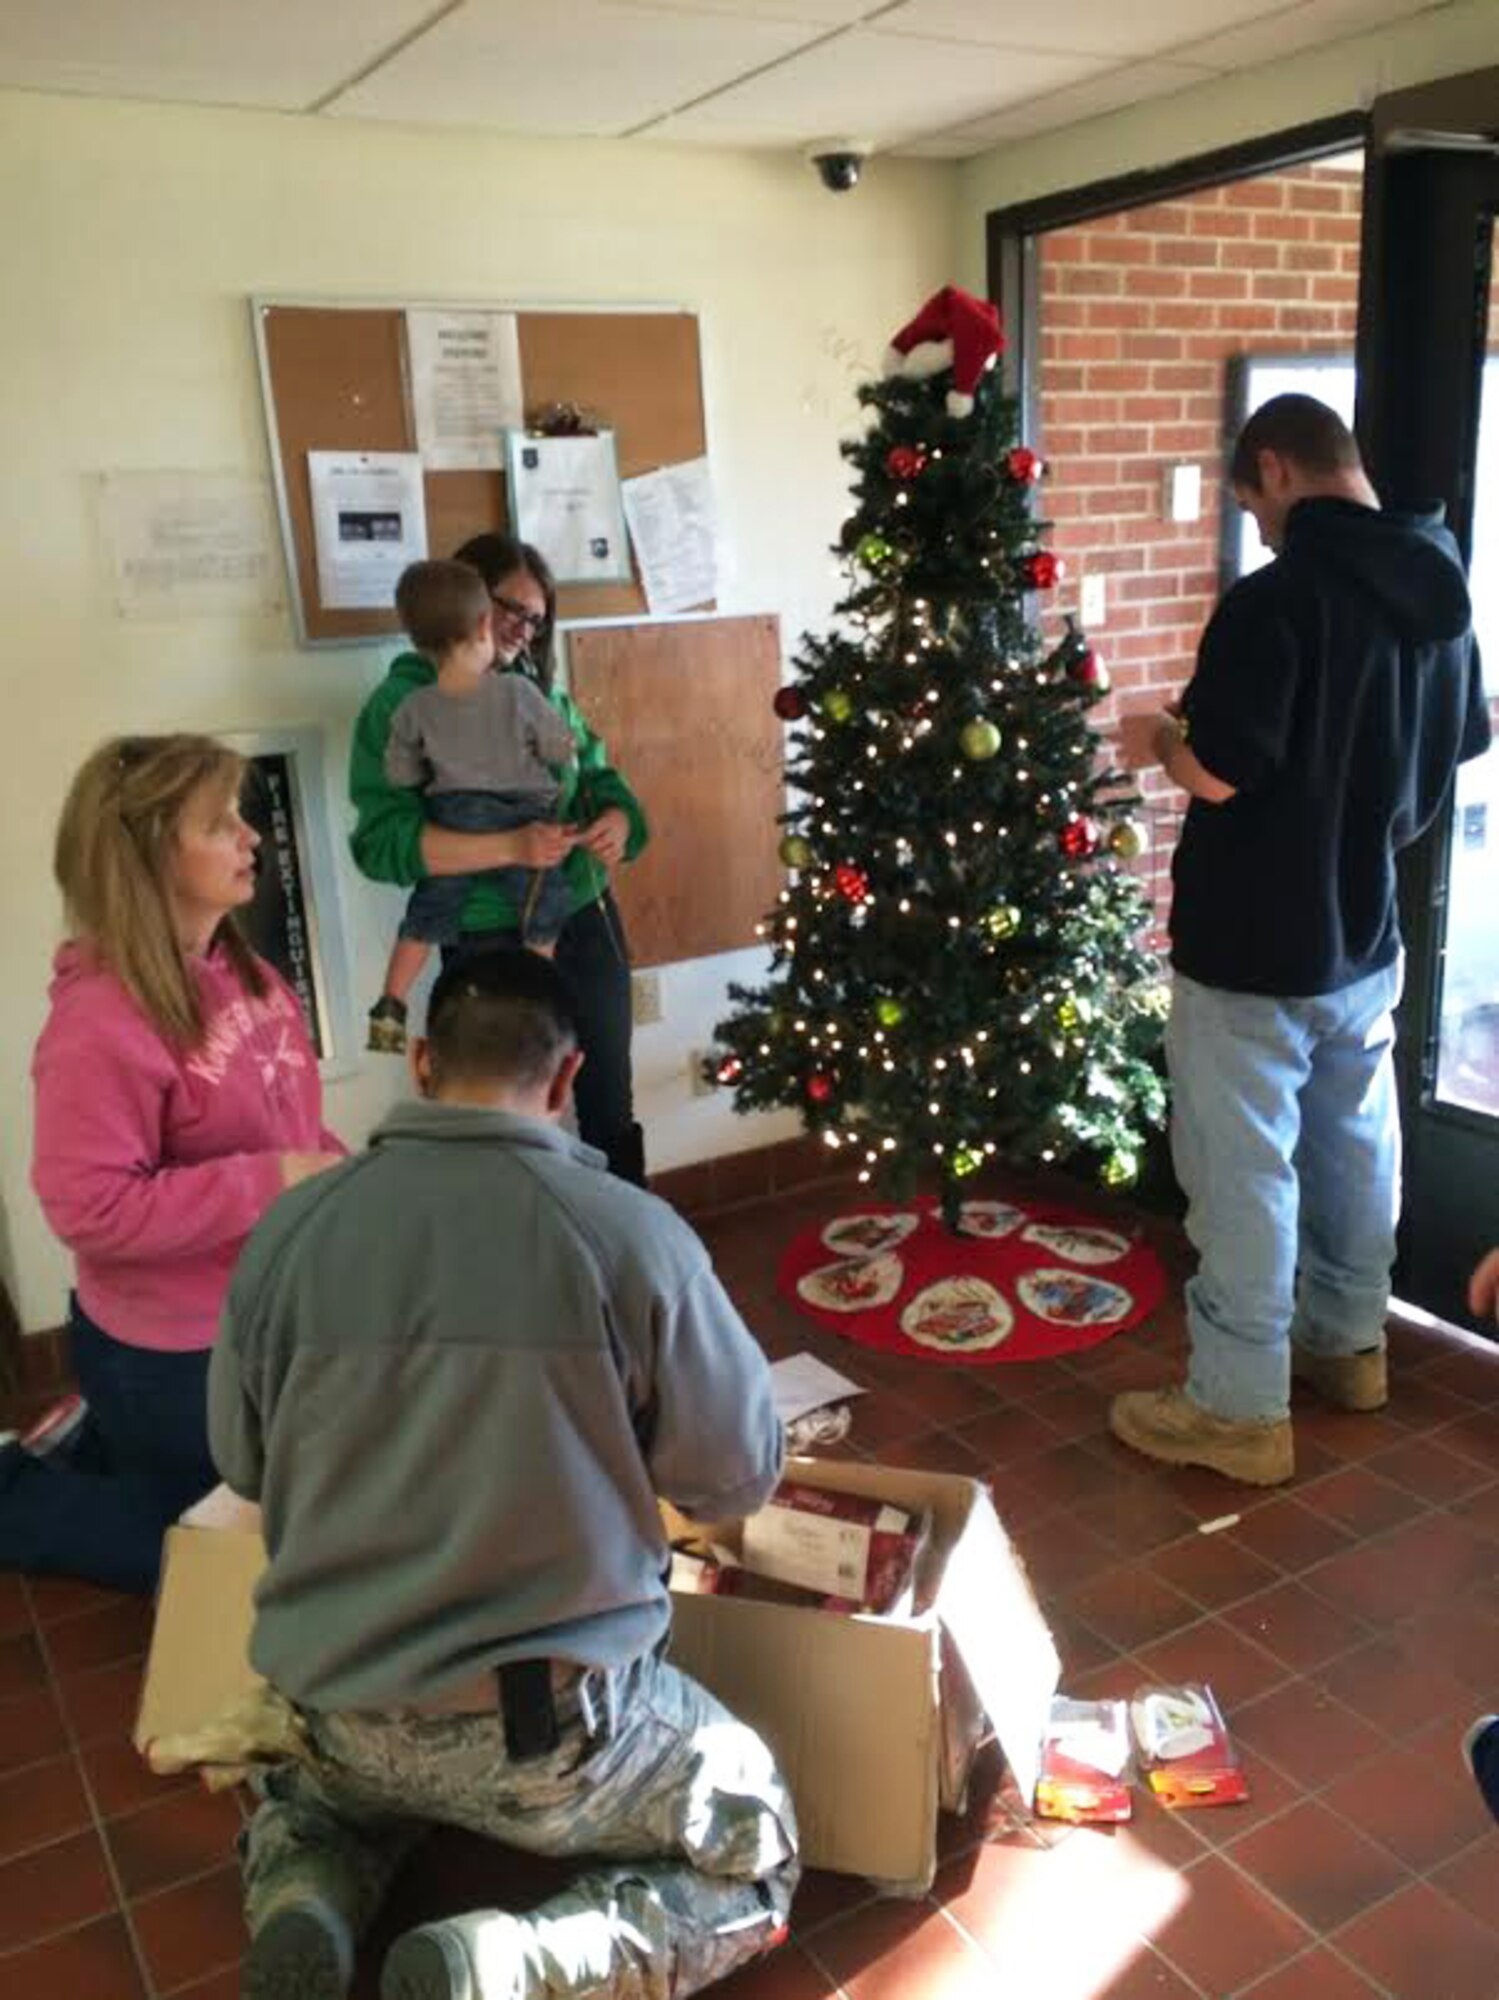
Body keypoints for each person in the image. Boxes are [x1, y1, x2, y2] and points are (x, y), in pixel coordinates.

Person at [206, 949, 796, 2000]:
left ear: (422, 1061)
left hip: (338, 1701)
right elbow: (735, 1476)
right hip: (552, 1742)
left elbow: (240, 1463)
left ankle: (306, 1886)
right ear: (567, 1081)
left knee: (320, 1796)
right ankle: (517, 1961)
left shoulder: (287, 1233)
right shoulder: (632, 1236)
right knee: (756, 1844)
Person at [1110, 393, 1490, 1487]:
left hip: (1248, 940)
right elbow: (1467, 735)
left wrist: (1157, 737)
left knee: (1240, 1171)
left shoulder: (1271, 604)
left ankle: (1235, 1409)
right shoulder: (1440, 584)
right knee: (1352, 1143)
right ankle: (1347, 1344)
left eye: (1251, 503)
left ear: (1271, 467)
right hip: (1364, 929)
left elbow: (1219, 770)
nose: (1259, 526)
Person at [3, 735, 341, 1593]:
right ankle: (19, 1491)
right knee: (233, 1567)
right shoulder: (95, 1026)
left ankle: (103, 1437)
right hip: (173, 1345)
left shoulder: (253, 974)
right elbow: (91, 1211)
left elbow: (293, 1129)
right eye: (219, 824)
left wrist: (349, 1177)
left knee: (295, 1506)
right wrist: (272, 1184)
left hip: (265, 1312)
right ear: (150, 852)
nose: (251, 837)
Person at [350, 533, 650, 1184]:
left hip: (582, 914)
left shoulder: (529, 692)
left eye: (536, 619)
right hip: (485, 933)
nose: (520, 629)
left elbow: (595, 773)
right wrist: (508, 846)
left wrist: (618, 818)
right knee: (502, 1125)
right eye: (508, 608)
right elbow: (382, 843)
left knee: (606, 1108)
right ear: (467, 602)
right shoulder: (399, 707)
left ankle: (628, 1254)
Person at [367, 559, 578, 1054]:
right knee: (544, 904)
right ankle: (538, 993)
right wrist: (558, 744)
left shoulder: (413, 705)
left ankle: (390, 1004)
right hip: (521, 814)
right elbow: (557, 749)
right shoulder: (517, 691)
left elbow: (401, 773)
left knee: (427, 914)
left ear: (419, 643)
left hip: (454, 816)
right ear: (485, 625)